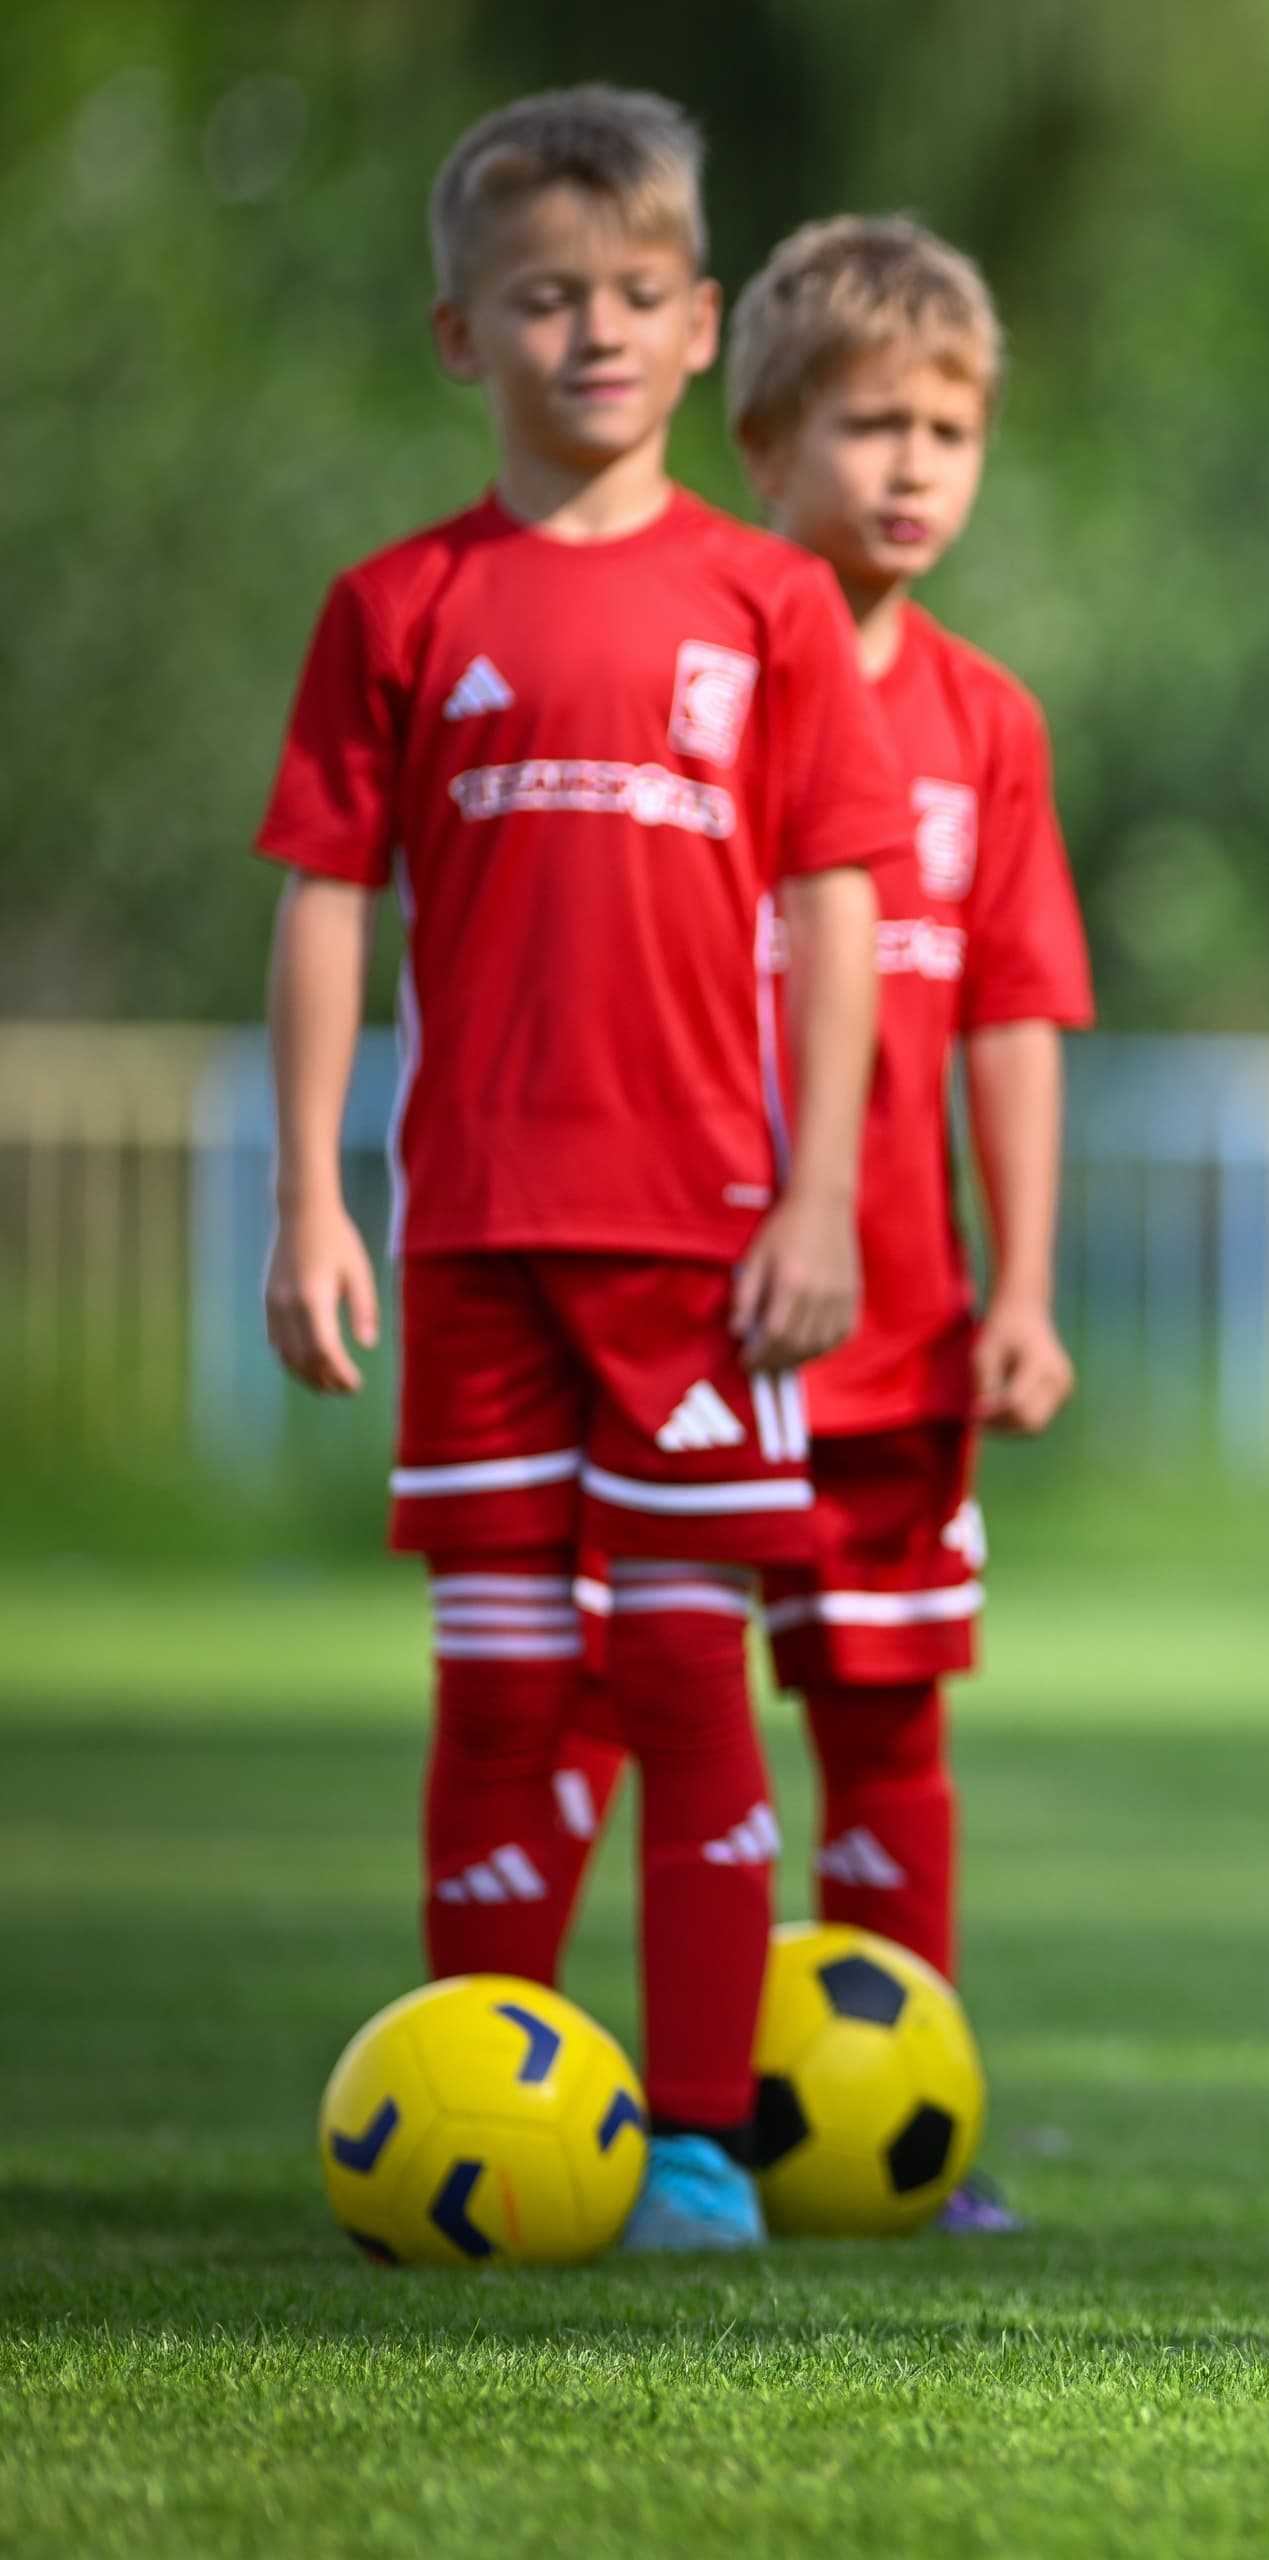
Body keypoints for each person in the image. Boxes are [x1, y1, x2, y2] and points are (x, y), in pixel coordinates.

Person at [255, 87, 904, 2252]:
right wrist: (310, 1197)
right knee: (502, 1685)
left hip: (704, 1247)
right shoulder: (396, 605)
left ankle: (700, 2136)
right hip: (471, 1239)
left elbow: (832, 903)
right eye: (545, 297)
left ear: (703, 323)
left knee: (689, 1674)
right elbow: (326, 900)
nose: (595, 331)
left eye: (636, 293)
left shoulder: (769, 601)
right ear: (463, 334)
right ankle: (493, 2107)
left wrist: (820, 1192)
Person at [535, 216, 1095, 2235]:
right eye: (871, 423)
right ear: (759, 438)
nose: (915, 464)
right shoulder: (672, 677)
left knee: (883, 1721)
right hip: (673, 1315)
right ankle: (539, 2094)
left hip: (896, 1326)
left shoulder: (987, 724)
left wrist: (1024, 1285)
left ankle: (891, 2121)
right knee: (603, 1700)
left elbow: (1016, 1013)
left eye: (951, 427)